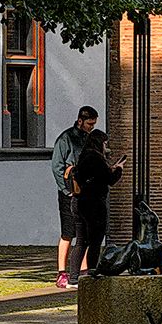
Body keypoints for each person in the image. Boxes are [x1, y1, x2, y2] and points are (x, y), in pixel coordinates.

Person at [64, 126, 124, 285]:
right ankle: (92, 271)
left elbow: (91, 175)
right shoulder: (96, 158)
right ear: (99, 143)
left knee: (81, 240)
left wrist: (109, 169)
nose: (106, 147)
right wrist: (118, 169)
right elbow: (109, 179)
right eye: (104, 143)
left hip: (79, 202)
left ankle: (73, 277)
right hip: (94, 204)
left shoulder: (83, 156)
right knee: (95, 240)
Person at [50, 104, 97, 288]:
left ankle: (83, 270)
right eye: (89, 124)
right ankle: (62, 273)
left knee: (84, 233)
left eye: (93, 124)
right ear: (80, 121)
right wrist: (66, 190)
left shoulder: (90, 139)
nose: (91, 127)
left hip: (86, 192)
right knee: (68, 232)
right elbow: (57, 166)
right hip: (70, 192)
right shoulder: (66, 139)